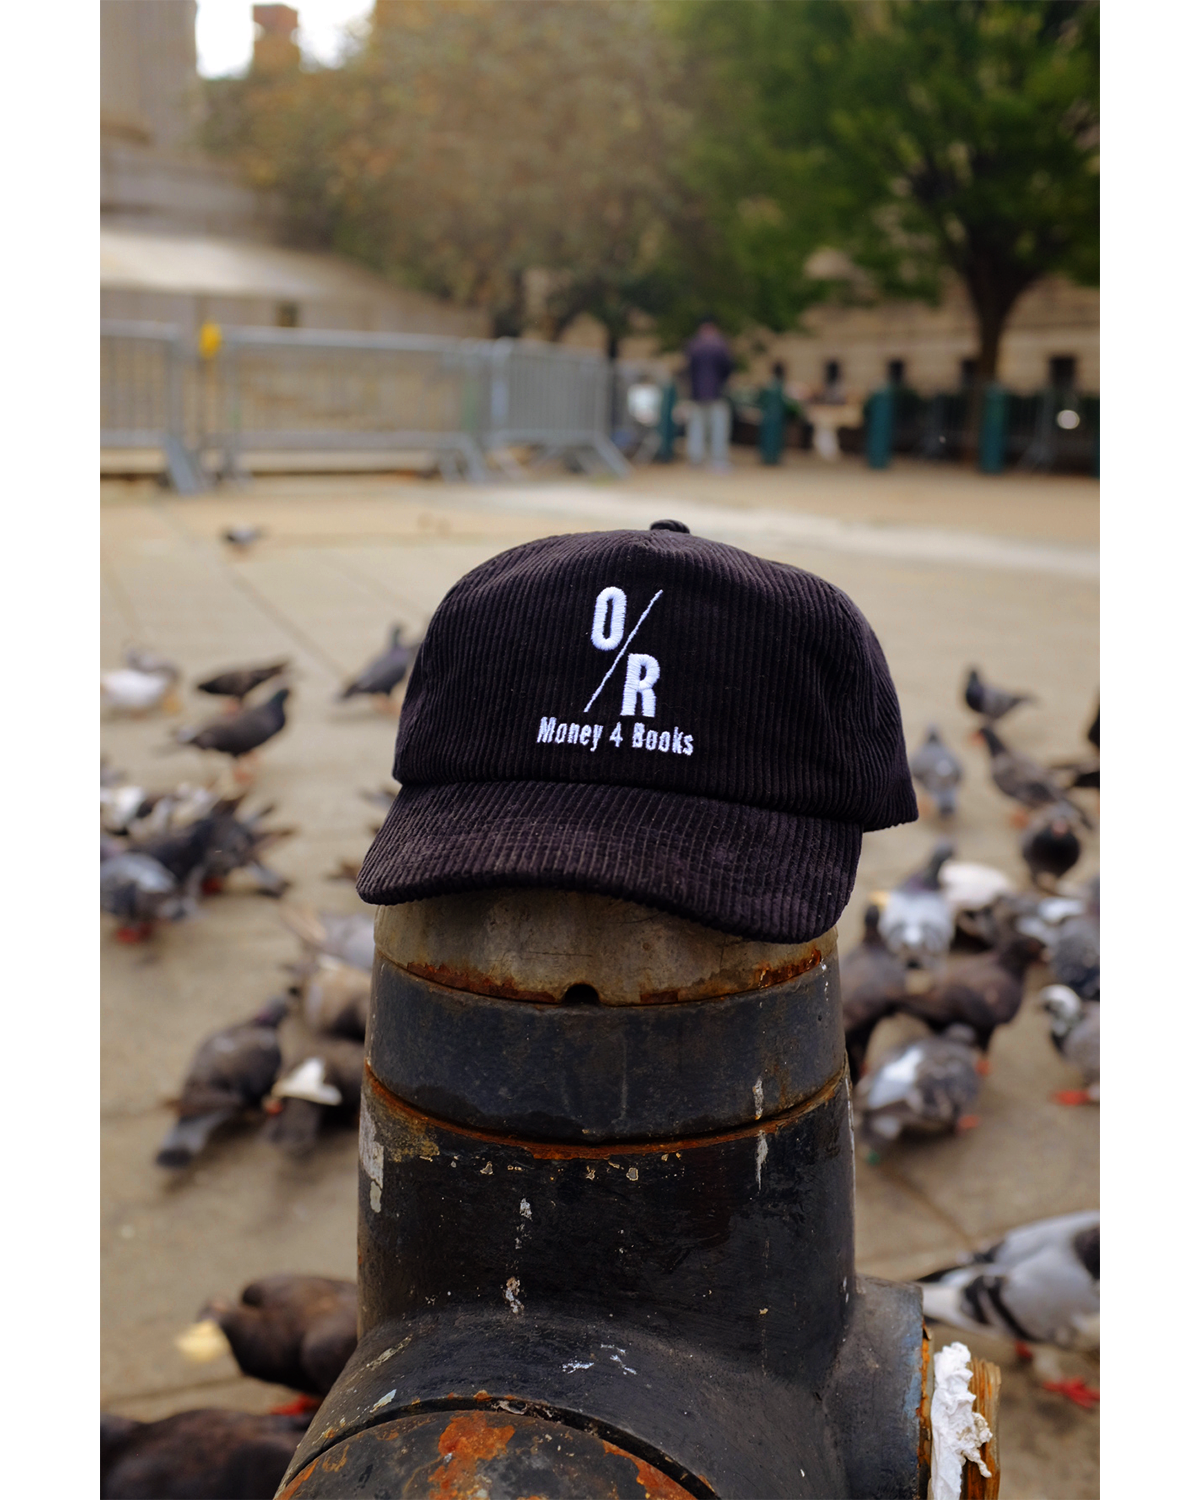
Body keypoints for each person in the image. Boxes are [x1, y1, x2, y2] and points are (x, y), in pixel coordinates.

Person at [685, 320, 734, 471]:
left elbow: (689, 370)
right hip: (716, 392)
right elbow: (727, 367)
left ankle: (696, 459)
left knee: (697, 427)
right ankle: (717, 459)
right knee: (718, 427)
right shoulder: (720, 345)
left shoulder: (694, 346)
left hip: (698, 393)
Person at [757, 362, 788, 466]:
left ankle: (766, 457)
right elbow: (783, 401)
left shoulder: (768, 383)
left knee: (767, 437)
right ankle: (773, 458)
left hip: (767, 414)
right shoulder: (780, 384)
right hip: (777, 415)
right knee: (775, 438)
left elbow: (761, 399)